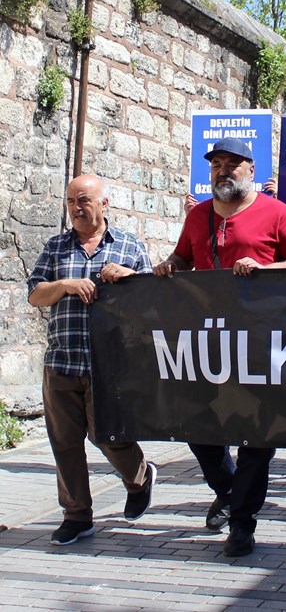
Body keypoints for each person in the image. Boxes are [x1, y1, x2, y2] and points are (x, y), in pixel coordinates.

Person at [153, 137, 286, 557]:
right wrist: (171, 265)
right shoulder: (198, 216)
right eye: (216, 164)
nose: (223, 171)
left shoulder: (276, 212)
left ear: (251, 170)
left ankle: (242, 522)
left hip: (261, 343)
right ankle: (227, 489)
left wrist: (267, 268)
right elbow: (182, 258)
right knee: (199, 427)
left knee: (256, 435)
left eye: (232, 164)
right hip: (207, 342)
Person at [27, 174, 157, 546]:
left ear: (104, 204)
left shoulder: (128, 245)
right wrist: (65, 285)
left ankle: (139, 478)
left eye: (83, 200)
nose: (76, 208)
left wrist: (129, 277)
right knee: (65, 443)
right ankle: (76, 515)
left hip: (109, 364)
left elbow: (151, 301)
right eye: (70, 202)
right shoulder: (56, 248)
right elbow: (35, 294)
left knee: (109, 437)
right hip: (62, 361)